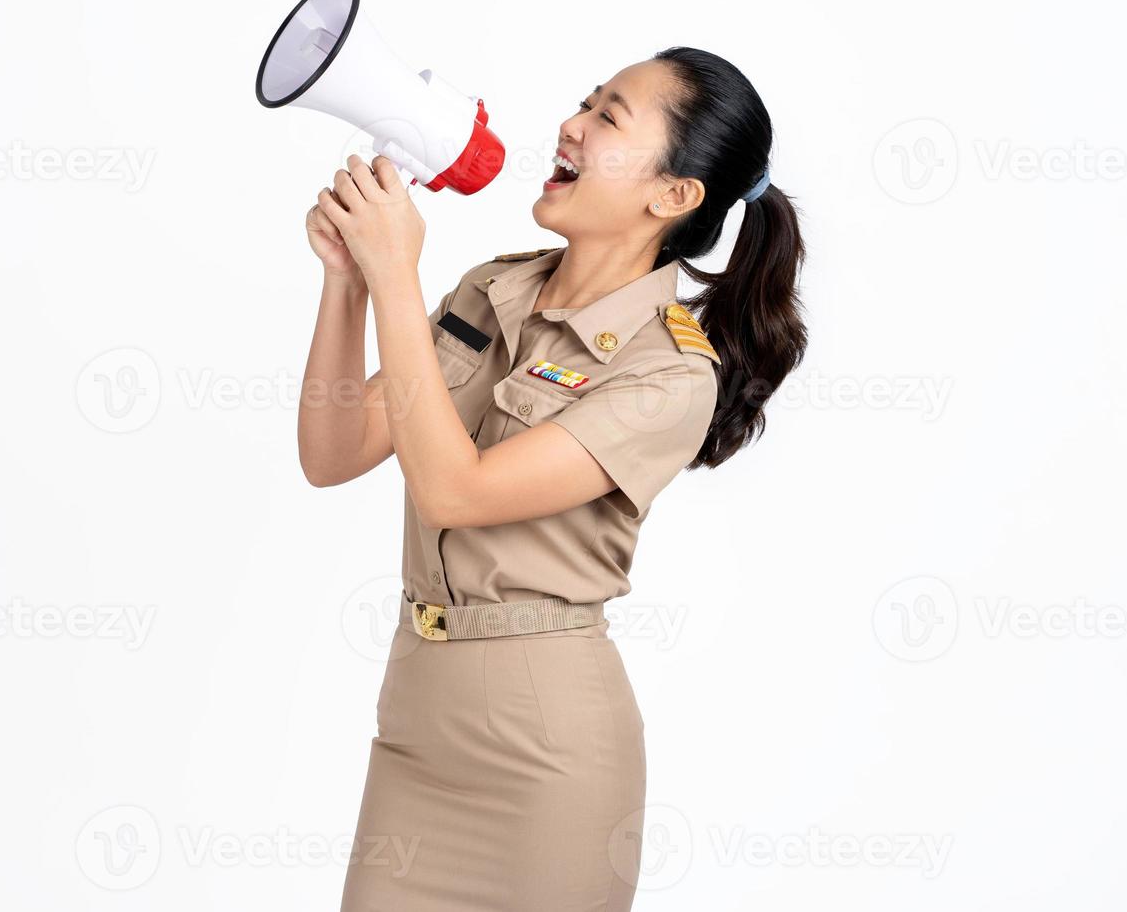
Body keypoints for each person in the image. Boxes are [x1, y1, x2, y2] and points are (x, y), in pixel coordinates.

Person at [299, 46, 808, 912]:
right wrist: (348, 285)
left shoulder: (671, 377)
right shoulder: (492, 287)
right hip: (417, 724)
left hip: (547, 756)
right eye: (584, 103)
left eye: (609, 117)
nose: (569, 126)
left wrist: (394, 277)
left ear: (674, 194)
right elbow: (333, 452)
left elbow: (454, 491)